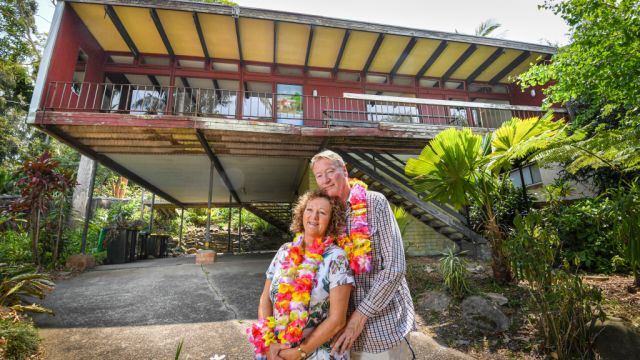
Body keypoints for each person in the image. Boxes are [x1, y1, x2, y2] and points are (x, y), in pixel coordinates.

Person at [310, 150, 416, 360]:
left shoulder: (374, 202)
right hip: (339, 333)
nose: (325, 179)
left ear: (345, 171)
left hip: (383, 327)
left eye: (330, 171)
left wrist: (358, 318)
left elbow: (395, 267)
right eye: (319, 175)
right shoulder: (324, 215)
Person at [248, 190, 354, 360]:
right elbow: (265, 299)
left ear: (332, 221)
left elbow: (337, 320)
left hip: (317, 353)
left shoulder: (336, 257)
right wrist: (268, 343)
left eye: (322, 212)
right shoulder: (284, 251)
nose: (314, 217)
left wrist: (299, 352)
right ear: (301, 213)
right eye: (309, 209)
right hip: (275, 352)